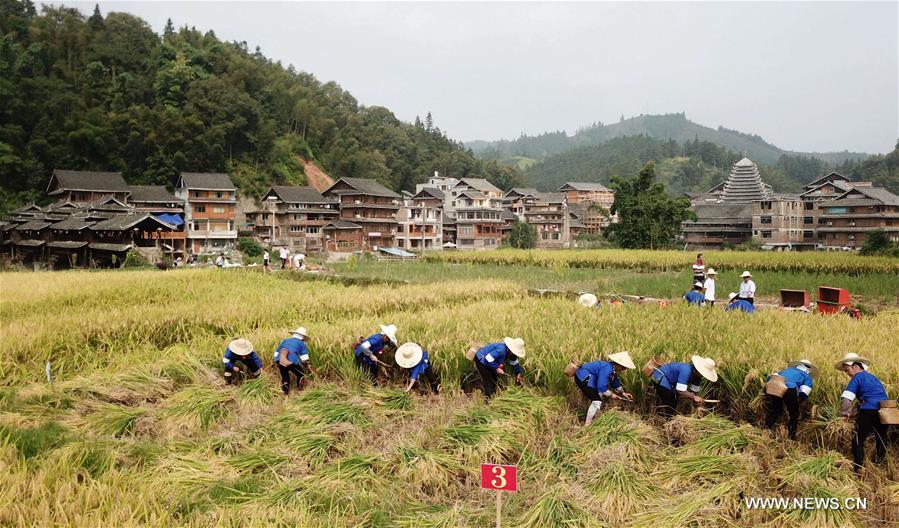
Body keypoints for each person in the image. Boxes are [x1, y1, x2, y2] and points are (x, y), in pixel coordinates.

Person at [836, 353, 890, 472]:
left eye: (847, 370)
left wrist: (845, 414)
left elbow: (846, 398)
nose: (847, 373)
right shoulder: (873, 377)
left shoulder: (857, 378)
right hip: (885, 410)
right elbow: (876, 395)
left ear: (855, 366)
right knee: (881, 436)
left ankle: (858, 466)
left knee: (857, 438)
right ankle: (880, 463)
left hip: (869, 410)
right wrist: (856, 411)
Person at [572, 352, 636, 426]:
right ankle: (587, 425)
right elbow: (601, 386)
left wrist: (623, 393)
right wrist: (611, 395)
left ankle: (593, 419)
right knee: (597, 400)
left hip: (586, 377)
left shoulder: (612, 370)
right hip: (582, 376)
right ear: (619, 364)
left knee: (599, 397)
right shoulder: (607, 368)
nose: (624, 369)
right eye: (624, 367)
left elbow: (615, 383)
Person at [651, 355, 718, 419]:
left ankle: (669, 418)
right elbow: (680, 391)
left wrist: (698, 405)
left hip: (670, 382)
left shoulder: (697, 378)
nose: (703, 375)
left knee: (674, 402)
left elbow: (694, 393)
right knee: (671, 403)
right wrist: (694, 397)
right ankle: (668, 422)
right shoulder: (686, 370)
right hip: (659, 376)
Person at [764, 359, 817, 440]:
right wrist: (797, 402)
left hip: (776, 387)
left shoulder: (787, 370)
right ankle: (791, 437)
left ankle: (765, 429)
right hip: (790, 389)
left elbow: (771, 377)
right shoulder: (807, 376)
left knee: (776, 410)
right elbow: (804, 393)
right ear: (808, 369)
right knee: (794, 414)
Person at [274, 327, 312, 395]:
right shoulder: (302, 343)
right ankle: (300, 390)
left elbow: (276, 353)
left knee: (285, 376)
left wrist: (276, 361)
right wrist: (308, 365)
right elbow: (304, 358)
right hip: (292, 360)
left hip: (281, 359)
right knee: (300, 374)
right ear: (303, 337)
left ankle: (285, 392)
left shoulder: (285, 340)